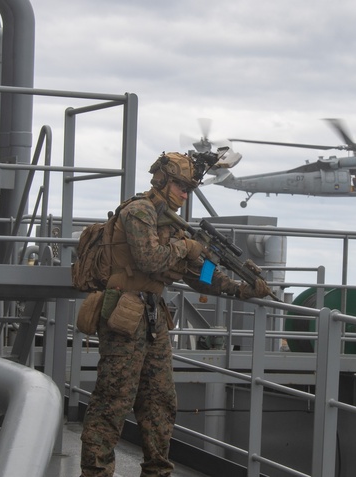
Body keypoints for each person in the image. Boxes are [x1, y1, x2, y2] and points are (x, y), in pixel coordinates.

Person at [80, 152, 273, 477]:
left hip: (153, 319)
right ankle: (95, 474)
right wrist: (187, 248)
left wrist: (240, 287)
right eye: (181, 187)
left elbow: (199, 274)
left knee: (160, 401)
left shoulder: (171, 224)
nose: (185, 195)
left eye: (188, 189)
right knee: (112, 401)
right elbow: (149, 260)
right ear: (162, 181)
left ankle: (157, 471)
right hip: (123, 316)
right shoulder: (139, 211)